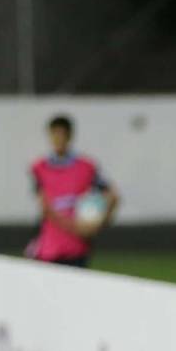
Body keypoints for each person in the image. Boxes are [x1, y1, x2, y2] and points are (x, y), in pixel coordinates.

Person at [28, 114, 119, 268]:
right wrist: (75, 227)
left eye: (61, 135)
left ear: (69, 136)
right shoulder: (39, 168)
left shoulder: (86, 167)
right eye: (54, 134)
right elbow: (45, 208)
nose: (57, 139)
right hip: (50, 248)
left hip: (78, 249)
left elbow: (112, 196)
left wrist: (99, 223)